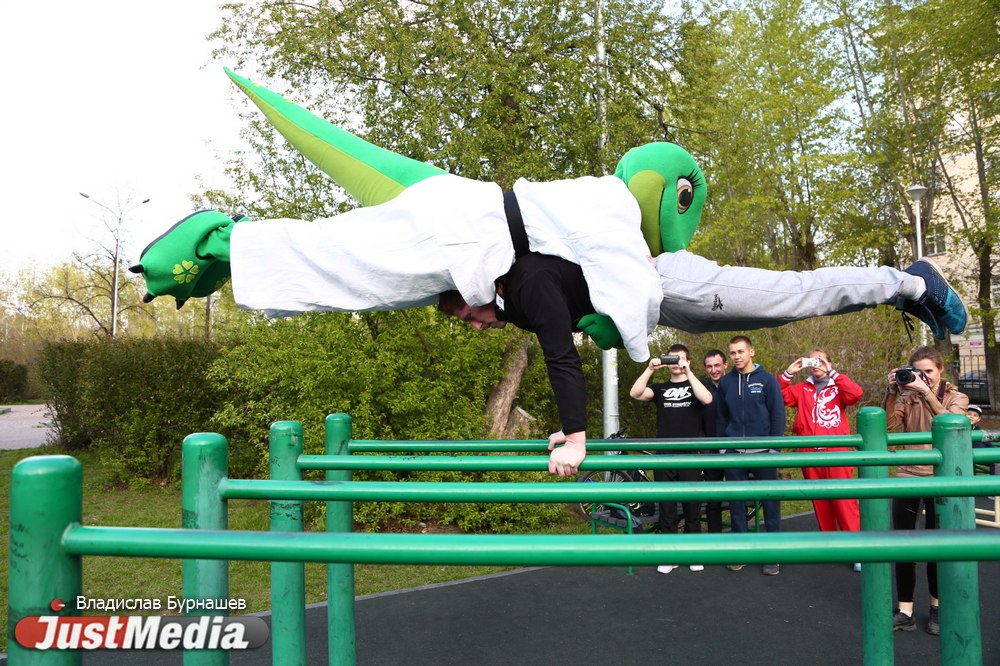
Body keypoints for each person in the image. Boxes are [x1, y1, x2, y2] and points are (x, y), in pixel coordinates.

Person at [882, 346, 969, 636]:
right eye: (919, 372)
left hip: (940, 477)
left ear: (940, 370)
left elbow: (952, 424)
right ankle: (905, 610)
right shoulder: (907, 398)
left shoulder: (957, 397)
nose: (924, 378)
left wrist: (927, 393)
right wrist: (893, 392)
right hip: (909, 474)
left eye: (929, 372)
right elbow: (888, 431)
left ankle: (937, 607)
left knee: (936, 547)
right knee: (904, 546)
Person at [629, 343, 713, 573]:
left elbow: (707, 399)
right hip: (664, 456)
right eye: (672, 359)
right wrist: (649, 369)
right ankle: (669, 554)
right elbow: (635, 393)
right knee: (666, 506)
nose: (676, 363)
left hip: (690, 456)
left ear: (688, 360)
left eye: (681, 359)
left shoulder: (697, 384)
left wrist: (688, 372)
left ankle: (692, 552)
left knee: (692, 506)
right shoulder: (661, 389)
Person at [780, 348, 864, 571]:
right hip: (809, 451)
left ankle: (857, 549)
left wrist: (833, 373)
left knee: (844, 499)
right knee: (820, 499)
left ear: (829, 362)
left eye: (821, 361)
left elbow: (855, 394)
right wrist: (788, 373)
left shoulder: (838, 385)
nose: (816, 364)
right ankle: (831, 544)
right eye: (813, 361)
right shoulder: (802, 387)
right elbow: (779, 395)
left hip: (836, 450)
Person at [715, 335, 786, 576]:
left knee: (770, 504)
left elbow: (778, 415)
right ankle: (741, 553)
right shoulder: (726, 383)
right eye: (733, 352)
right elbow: (721, 416)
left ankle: (772, 555)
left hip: (764, 452)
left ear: (751, 352)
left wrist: (774, 449)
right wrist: (725, 448)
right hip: (734, 453)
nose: (736, 356)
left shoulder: (768, 380)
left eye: (740, 351)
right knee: (737, 505)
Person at [701, 349, 728, 533]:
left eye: (717, 365)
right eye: (709, 366)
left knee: (738, 498)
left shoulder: (735, 385)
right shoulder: (700, 387)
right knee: (713, 500)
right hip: (710, 451)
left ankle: (738, 541)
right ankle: (715, 539)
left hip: (733, 450)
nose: (714, 370)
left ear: (725, 365)